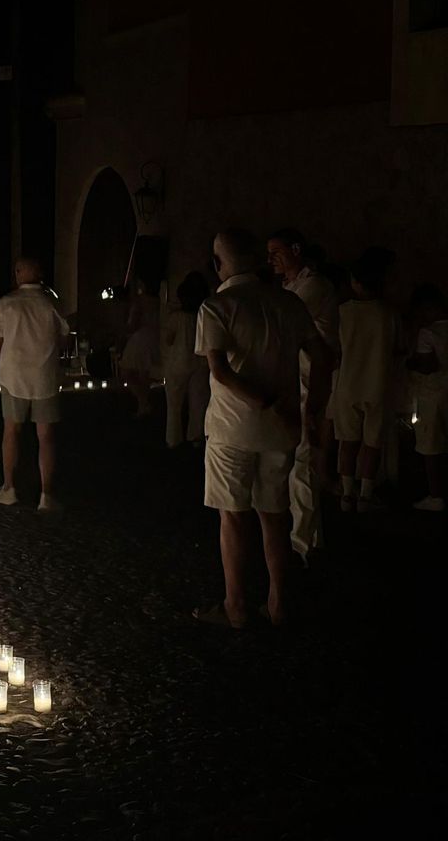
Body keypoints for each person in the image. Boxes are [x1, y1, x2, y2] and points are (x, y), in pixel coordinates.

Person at [193, 229, 331, 629]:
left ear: (218, 264)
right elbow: (323, 357)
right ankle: (278, 602)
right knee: (275, 514)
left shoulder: (217, 307)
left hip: (232, 429)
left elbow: (220, 370)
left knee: (234, 516)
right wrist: (312, 409)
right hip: (281, 428)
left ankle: (236, 607)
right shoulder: (288, 303)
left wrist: (261, 401)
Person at [267, 227, 341, 562]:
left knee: (302, 460)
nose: (270, 259)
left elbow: (284, 323)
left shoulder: (314, 287)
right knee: (296, 460)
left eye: (276, 252)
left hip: (311, 382)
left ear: (296, 250)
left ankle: (303, 543)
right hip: (294, 380)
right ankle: (308, 535)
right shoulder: (290, 288)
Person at [0, 258, 69, 511]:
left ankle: (9, 488)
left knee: (11, 431)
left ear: (19, 274)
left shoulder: (6, 304)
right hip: (45, 376)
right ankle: (46, 494)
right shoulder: (52, 303)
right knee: (46, 437)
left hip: (14, 377)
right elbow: (64, 340)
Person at [332, 252, 404, 513]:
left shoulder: (342, 313)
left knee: (347, 442)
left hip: (347, 386)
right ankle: (365, 494)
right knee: (372, 444)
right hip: (378, 386)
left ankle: (346, 494)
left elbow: (335, 349)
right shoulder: (389, 313)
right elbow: (399, 349)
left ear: (355, 281)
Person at [406, 284, 448, 511]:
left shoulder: (428, 333)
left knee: (430, 447)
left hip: (432, 395)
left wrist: (409, 363)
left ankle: (435, 496)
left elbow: (428, 366)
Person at [160, 272, 211, 450]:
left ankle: (173, 439)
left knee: (174, 403)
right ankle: (196, 436)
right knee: (198, 401)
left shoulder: (176, 317)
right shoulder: (205, 315)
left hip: (178, 362)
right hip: (201, 362)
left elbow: (168, 339)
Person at [120, 277, 161, 418]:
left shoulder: (140, 302)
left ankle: (143, 403)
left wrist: (124, 330)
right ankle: (143, 404)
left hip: (141, 338)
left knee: (129, 371)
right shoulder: (157, 301)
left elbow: (133, 323)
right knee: (143, 373)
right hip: (153, 337)